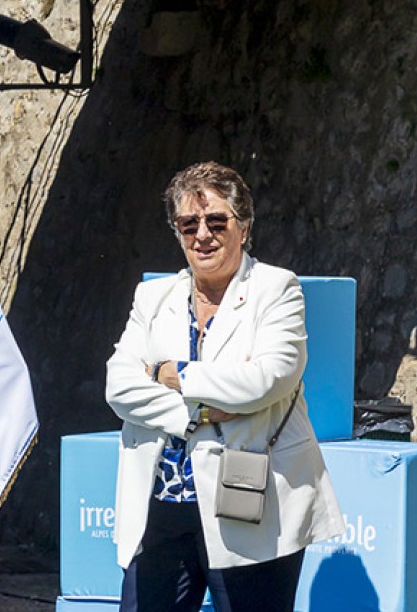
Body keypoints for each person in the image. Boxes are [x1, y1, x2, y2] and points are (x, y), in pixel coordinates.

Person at [104, 161, 343, 611]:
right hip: (160, 506)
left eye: (216, 222)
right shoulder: (152, 297)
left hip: (248, 504)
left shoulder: (277, 289)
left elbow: (265, 380)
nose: (202, 235)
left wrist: (172, 373)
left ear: (244, 227)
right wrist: (198, 412)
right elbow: (119, 387)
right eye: (188, 224)